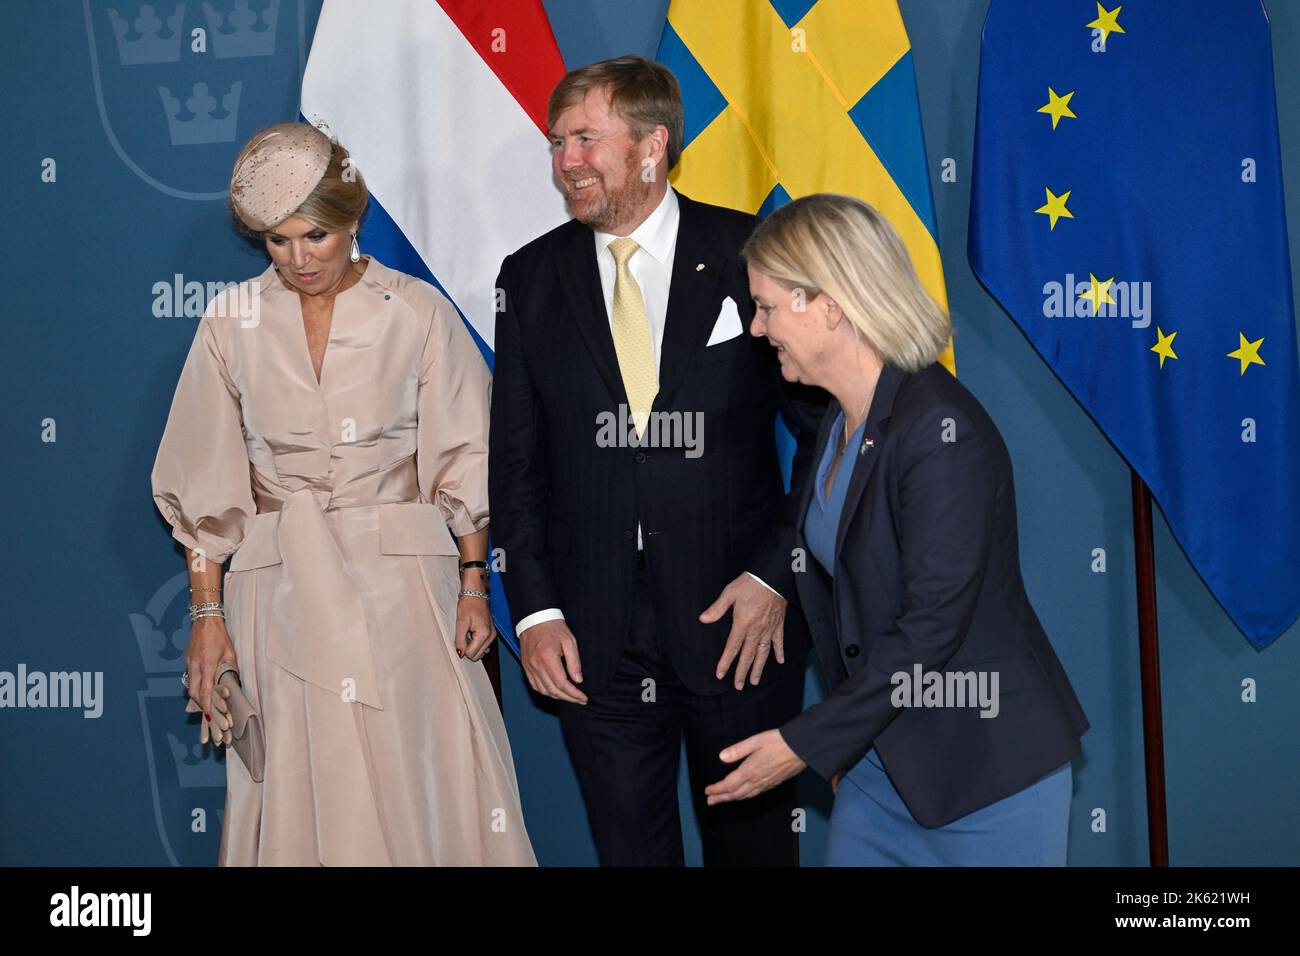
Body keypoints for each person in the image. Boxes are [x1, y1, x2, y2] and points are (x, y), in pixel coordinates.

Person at [151, 122, 535, 866]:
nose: (299, 259)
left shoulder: (417, 310)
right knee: (299, 782)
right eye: (277, 241)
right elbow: (203, 480)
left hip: (403, 587)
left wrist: (472, 586)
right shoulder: (230, 322)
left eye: (316, 238)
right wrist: (207, 614)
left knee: (422, 779)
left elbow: (467, 455)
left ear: (353, 219)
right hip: (279, 589)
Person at [489, 56, 823, 866]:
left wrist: (779, 573)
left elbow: (828, 434)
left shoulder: (750, 250)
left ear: (651, 145)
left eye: (584, 139)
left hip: (740, 625)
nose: (565, 161)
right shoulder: (529, 278)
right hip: (593, 640)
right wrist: (534, 614)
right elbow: (516, 463)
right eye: (556, 142)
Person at [705, 193, 1089, 866]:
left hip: (988, 775)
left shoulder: (943, 435)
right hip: (882, 768)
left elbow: (932, 625)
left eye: (766, 308)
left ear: (829, 306)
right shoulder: (834, 418)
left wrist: (806, 742)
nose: (758, 329)